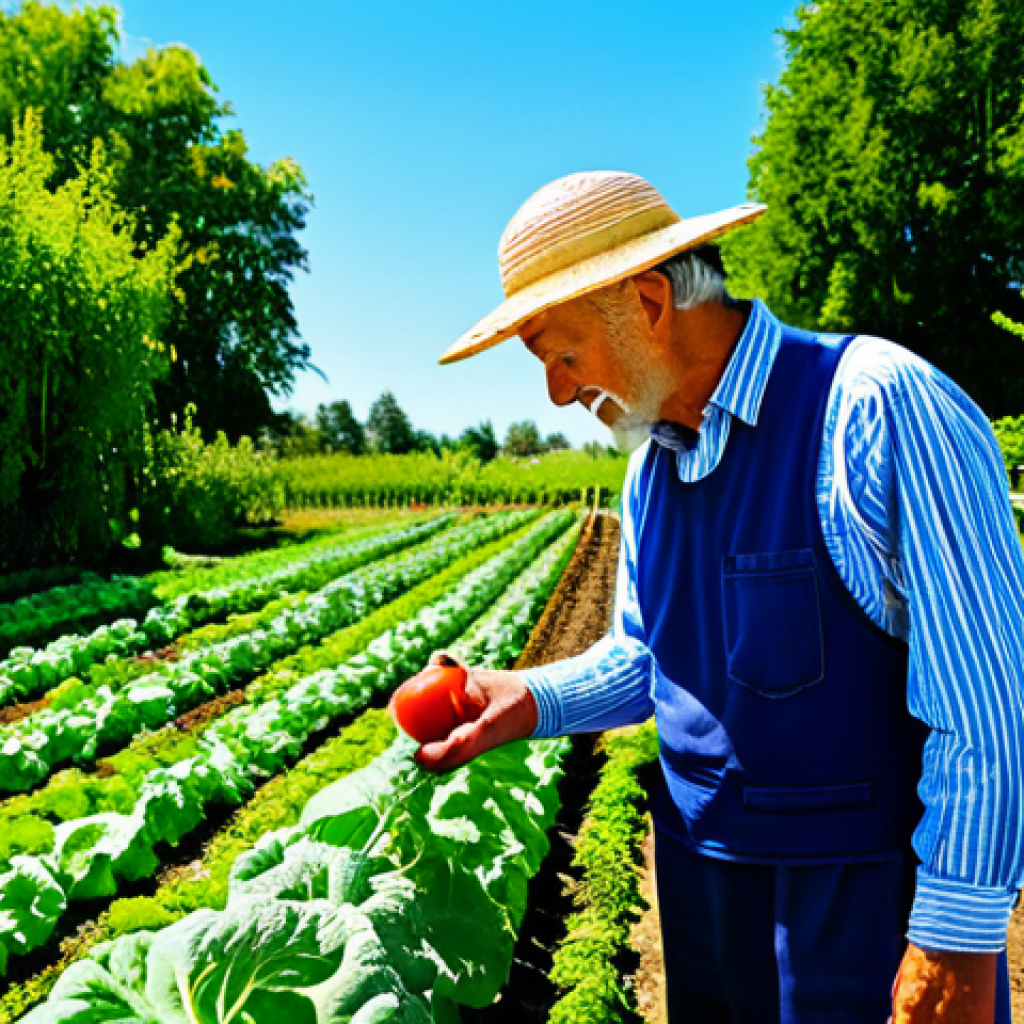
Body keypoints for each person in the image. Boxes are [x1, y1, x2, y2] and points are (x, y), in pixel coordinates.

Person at [414, 171, 1024, 1023]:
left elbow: (987, 705)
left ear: (651, 301)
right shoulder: (649, 472)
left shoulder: (878, 406)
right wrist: (529, 697)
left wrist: (957, 941)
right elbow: (649, 655)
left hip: (856, 903)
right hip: (701, 891)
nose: (557, 391)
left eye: (562, 352)